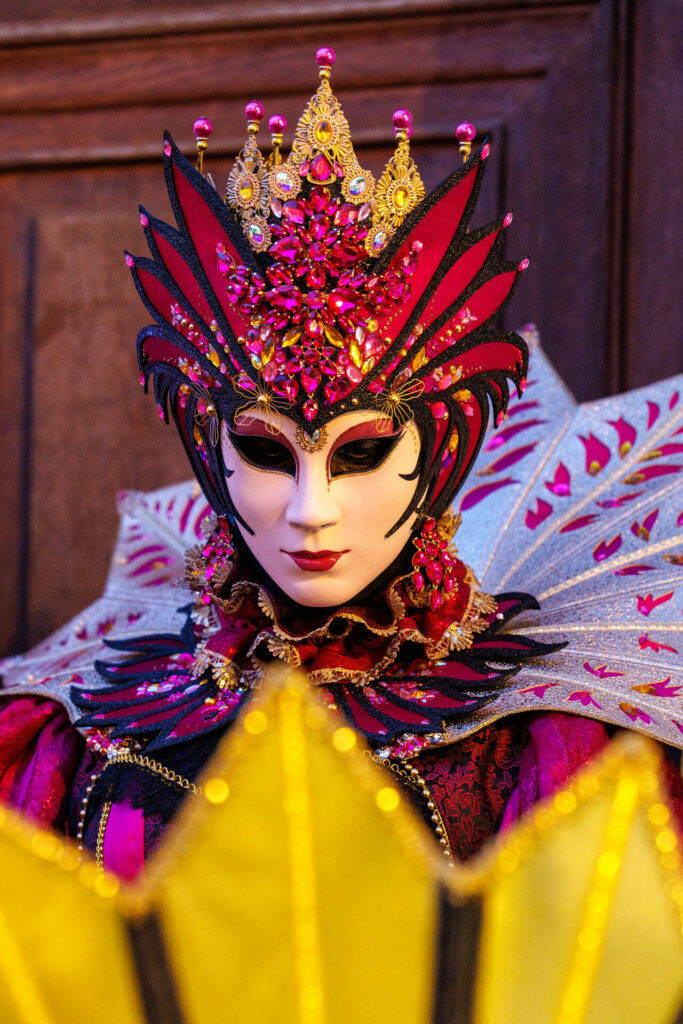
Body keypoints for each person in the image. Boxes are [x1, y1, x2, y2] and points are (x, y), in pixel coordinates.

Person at [0, 47, 681, 882]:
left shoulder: (561, 748)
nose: (310, 509)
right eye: (263, 452)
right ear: (207, 448)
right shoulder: (72, 733)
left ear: (439, 449)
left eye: (361, 452)